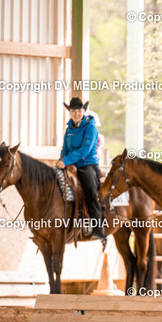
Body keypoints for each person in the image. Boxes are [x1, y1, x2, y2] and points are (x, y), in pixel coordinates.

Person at [57, 97, 105, 240]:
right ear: (70, 112)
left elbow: (85, 149)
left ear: (84, 111)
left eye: (79, 110)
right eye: (73, 111)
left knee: (90, 190)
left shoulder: (90, 128)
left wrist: (66, 160)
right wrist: (62, 159)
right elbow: (65, 148)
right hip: (70, 164)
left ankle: (98, 228)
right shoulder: (69, 130)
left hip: (87, 164)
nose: (76, 113)